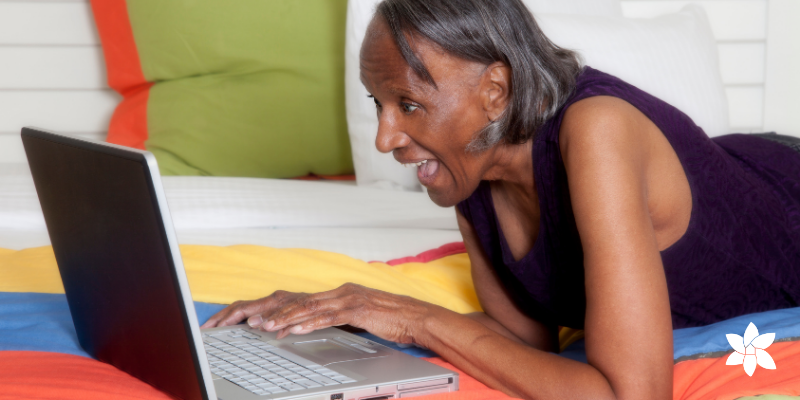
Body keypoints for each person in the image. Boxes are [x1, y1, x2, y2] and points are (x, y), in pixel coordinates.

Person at [202, 0, 800, 398]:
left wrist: (414, 318)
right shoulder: (473, 168)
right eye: (376, 104)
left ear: (495, 92)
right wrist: (337, 313)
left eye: (408, 104)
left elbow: (630, 395)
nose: (386, 137)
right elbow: (521, 343)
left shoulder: (597, 132)